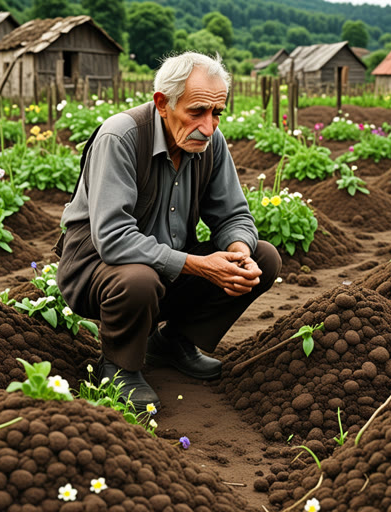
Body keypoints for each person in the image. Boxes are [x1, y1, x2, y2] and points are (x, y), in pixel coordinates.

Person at [56, 52, 282, 412]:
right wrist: (201, 265)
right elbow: (112, 238)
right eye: (197, 112)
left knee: (263, 257)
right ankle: (118, 366)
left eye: (217, 113)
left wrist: (239, 251)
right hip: (97, 270)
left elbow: (234, 214)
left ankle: (173, 341)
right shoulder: (122, 137)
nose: (208, 126)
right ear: (163, 103)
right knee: (139, 279)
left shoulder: (209, 143)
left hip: (169, 268)